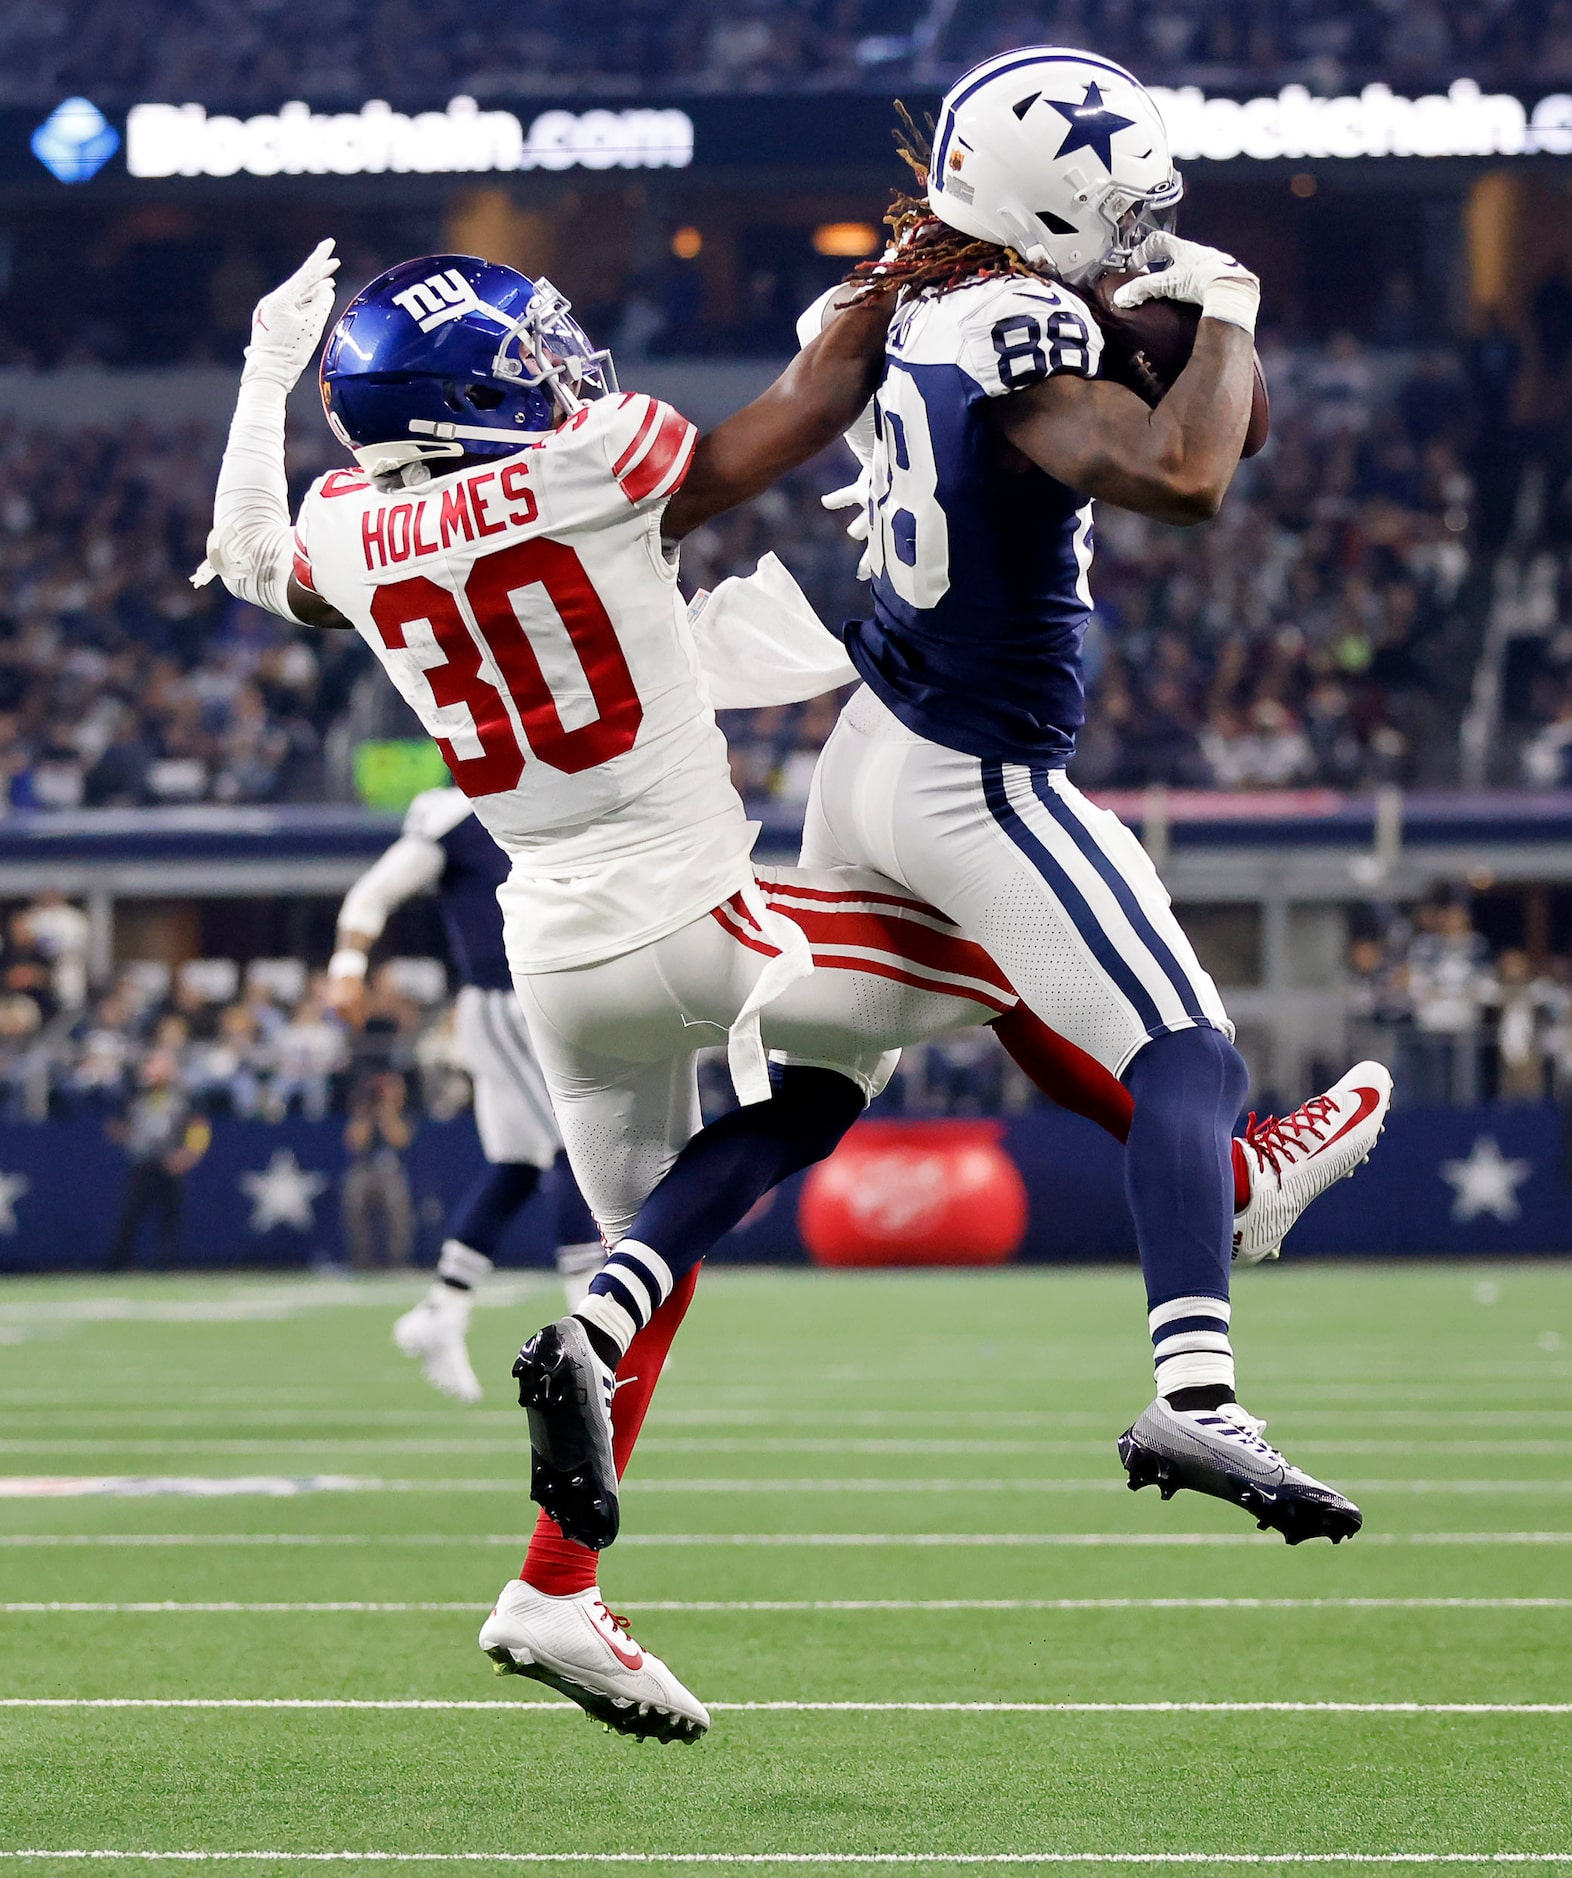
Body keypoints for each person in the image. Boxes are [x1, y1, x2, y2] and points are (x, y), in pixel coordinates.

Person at [197, 229, 1380, 1742]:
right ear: (469, 394)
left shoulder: (356, 531)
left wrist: (259, 370)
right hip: (707, 925)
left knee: (645, 1269)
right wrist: (917, 268)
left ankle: (554, 1586)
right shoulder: (594, 461)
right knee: (1013, 950)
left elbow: (248, 554)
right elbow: (809, 402)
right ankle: (1233, 1173)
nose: (561, 370)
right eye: (525, 358)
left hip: (554, 970)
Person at [795, 47, 1389, 1537]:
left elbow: (1201, 412)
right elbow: (1193, 473)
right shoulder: (1012, 326)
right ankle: (1198, 1391)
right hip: (970, 767)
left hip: (868, 737)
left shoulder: (899, 300)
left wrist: (1160, 320)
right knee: (1187, 1053)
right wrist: (1227, 312)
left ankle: (612, 1308)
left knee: (819, 1088)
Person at [329, 786, 607, 1402]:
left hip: (547, 994)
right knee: (575, 1151)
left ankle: (442, 1311)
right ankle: (592, 1331)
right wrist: (347, 970)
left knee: (514, 1168)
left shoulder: (554, 795)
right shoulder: (458, 816)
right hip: (509, 1004)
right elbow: (374, 891)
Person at [105, 1047, 212, 1269]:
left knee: (170, 1216)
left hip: (171, 1162)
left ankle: (167, 1263)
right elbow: (115, 1124)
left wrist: (188, 1154)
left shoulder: (184, 1094)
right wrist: (130, 1138)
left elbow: (199, 1126)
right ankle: (119, 1261)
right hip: (143, 1162)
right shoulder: (133, 1092)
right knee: (132, 1214)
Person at [341, 1069, 415, 1269]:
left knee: (397, 1199)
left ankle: (398, 1260)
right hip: (364, 1168)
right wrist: (367, 1112)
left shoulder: (403, 1112)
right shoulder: (362, 1111)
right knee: (354, 1195)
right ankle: (360, 1259)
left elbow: (400, 1139)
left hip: (392, 1169)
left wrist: (387, 1111)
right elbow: (355, 1141)